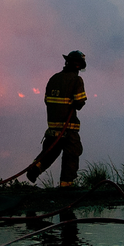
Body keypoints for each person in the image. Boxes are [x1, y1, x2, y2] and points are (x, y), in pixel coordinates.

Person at [26, 50, 87, 187]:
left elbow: (47, 100)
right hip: (69, 126)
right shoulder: (76, 80)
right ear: (79, 66)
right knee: (72, 153)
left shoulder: (54, 78)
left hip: (53, 127)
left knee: (50, 152)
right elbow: (79, 103)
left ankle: (34, 169)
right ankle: (66, 185)